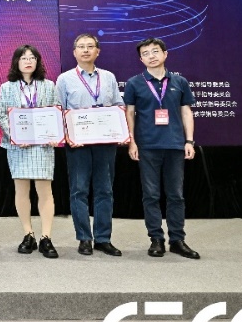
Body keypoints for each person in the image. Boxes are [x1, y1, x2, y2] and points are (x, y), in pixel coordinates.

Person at [124, 37, 200, 259]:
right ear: (141, 59)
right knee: (151, 195)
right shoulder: (134, 83)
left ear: (165, 54)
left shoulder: (180, 81)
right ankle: (156, 239)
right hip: (147, 146)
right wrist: (132, 141)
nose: (151, 56)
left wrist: (189, 141)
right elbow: (129, 113)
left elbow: (186, 112)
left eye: (155, 51)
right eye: (146, 53)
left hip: (175, 145)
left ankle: (177, 240)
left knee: (176, 195)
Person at [55, 33, 125, 256]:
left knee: (105, 190)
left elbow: (119, 105)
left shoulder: (109, 77)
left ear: (97, 51)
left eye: (90, 46)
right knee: (79, 190)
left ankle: (103, 239)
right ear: (74, 52)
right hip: (78, 145)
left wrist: (119, 129)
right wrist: (68, 136)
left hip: (105, 143)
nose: (85, 50)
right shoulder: (65, 79)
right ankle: (84, 238)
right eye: (81, 47)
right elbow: (58, 110)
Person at [0, 45, 60, 259]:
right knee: (21, 190)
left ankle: (46, 237)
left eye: (32, 58)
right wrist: (15, 135)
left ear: (38, 61)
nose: (28, 61)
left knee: (45, 191)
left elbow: (55, 111)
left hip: (43, 145)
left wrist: (53, 133)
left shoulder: (49, 85)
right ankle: (28, 234)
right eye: (23, 58)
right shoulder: (7, 87)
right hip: (18, 146)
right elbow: (1, 115)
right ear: (17, 62)